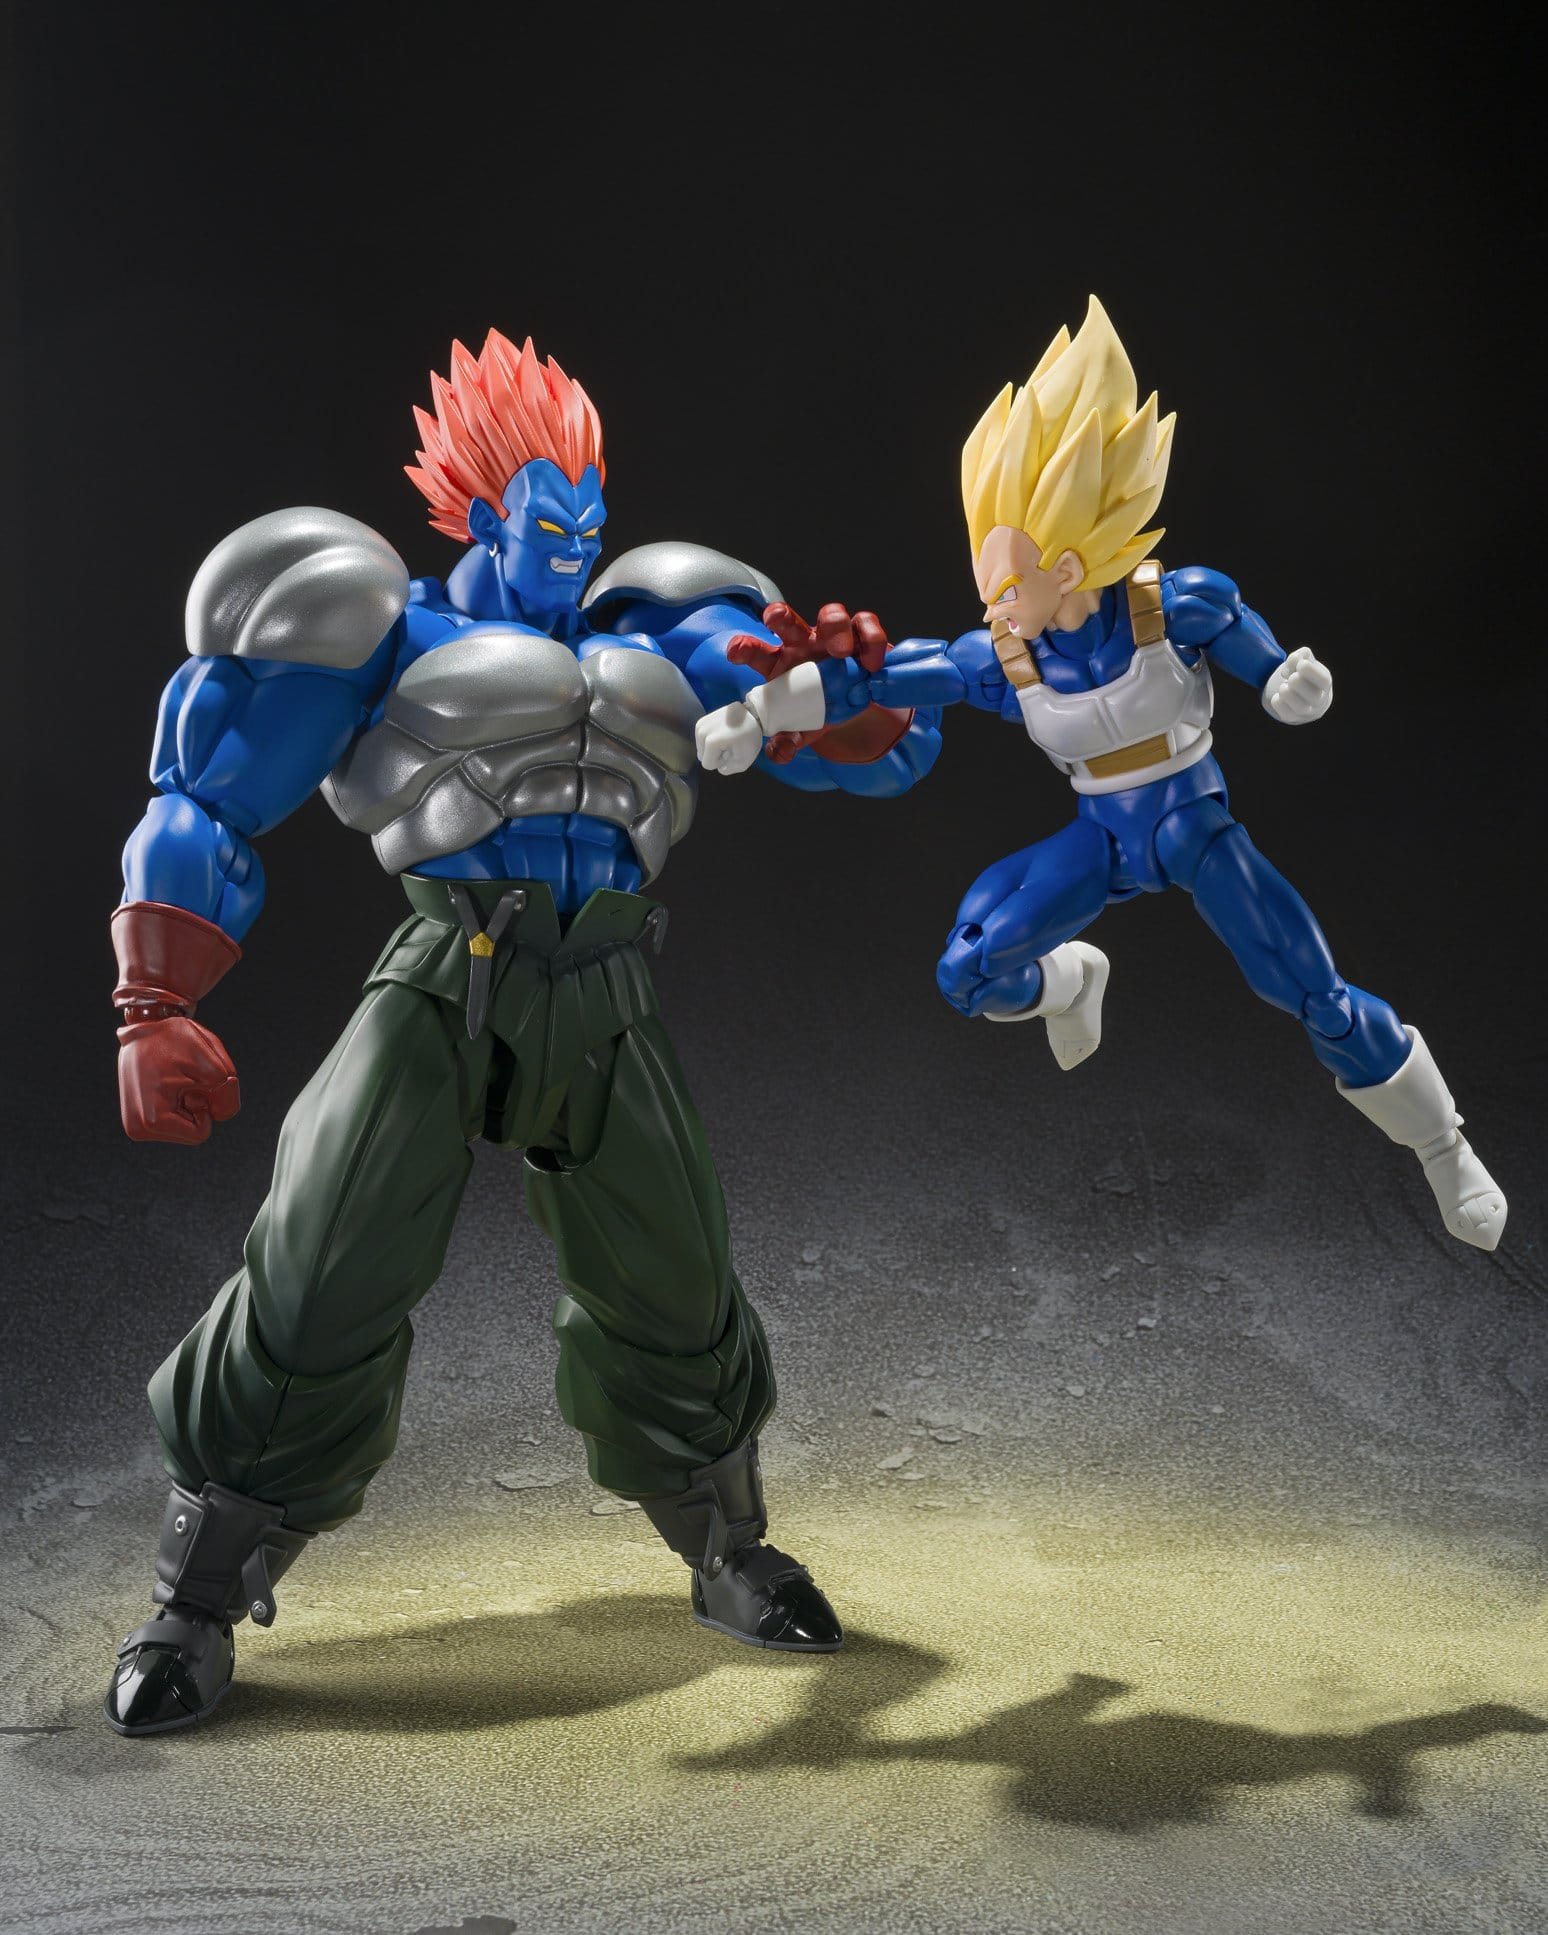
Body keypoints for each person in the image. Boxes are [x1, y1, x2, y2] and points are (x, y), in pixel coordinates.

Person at [106, 330, 942, 1735]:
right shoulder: (381, 623)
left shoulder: (661, 626)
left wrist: (851, 700)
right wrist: (155, 1000)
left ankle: (729, 1548)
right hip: (448, 973)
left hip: (604, 986)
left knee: (677, 1273)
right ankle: (195, 1599)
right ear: (481, 510)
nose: (579, 542)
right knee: (320, 1265)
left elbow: (855, 744)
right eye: (552, 520)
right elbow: (205, 798)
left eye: (591, 517)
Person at [697, 296, 1506, 1254]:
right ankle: (1070, 982)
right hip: (1103, 839)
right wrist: (759, 713)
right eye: (987, 583)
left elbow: (1271, 664)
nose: (993, 605)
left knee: (1311, 989)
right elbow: (872, 677)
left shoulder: (1177, 606)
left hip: (1195, 828)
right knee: (967, 969)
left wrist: (1292, 685)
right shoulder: (1006, 657)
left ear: (1071, 565)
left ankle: (1444, 1147)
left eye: (1007, 584)